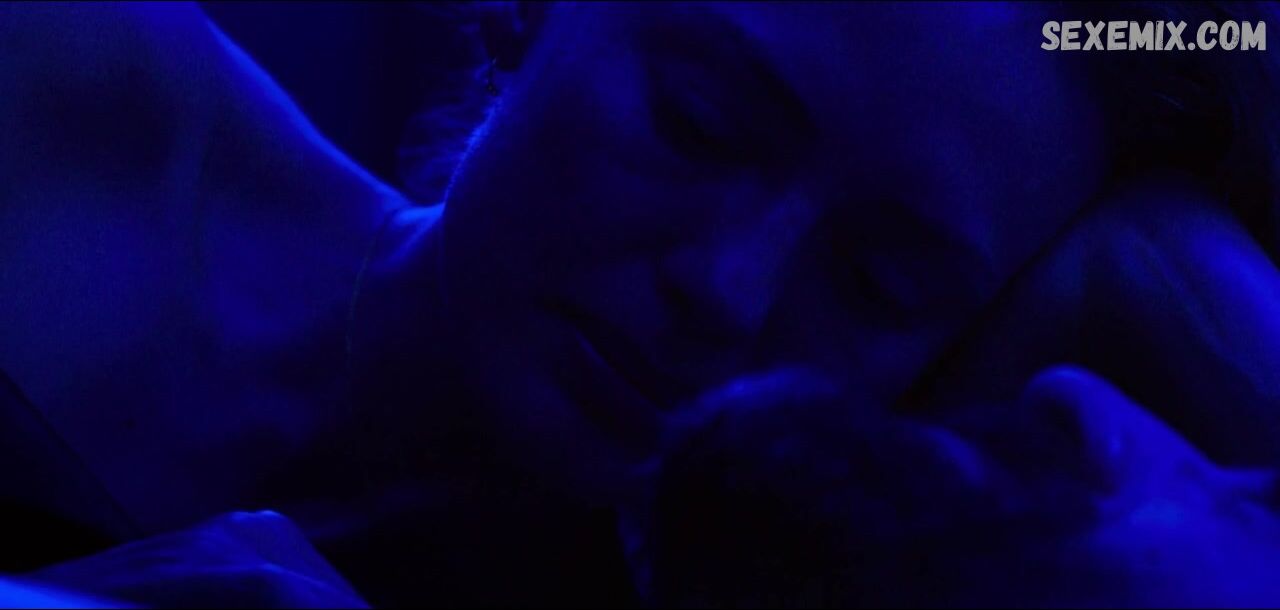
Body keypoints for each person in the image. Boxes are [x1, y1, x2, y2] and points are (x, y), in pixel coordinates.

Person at [3, 1, 1280, 606]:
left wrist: (1135, 260)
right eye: (696, 122)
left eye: (879, 281)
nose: (725, 292)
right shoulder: (54, 106)